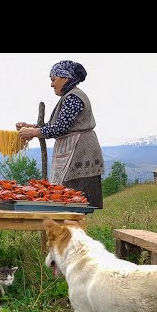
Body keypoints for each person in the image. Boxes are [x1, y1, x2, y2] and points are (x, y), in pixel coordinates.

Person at [16, 60, 104, 209]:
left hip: (80, 152)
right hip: (75, 148)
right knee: (69, 200)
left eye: (53, 80)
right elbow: (57, 126)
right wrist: (31, 128)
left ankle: (72, 230)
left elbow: (61, 128)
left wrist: (33, 132)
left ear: (65, 78)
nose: (52, 85)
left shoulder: (73, 97)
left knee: (74, 202)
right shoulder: (70, 96)